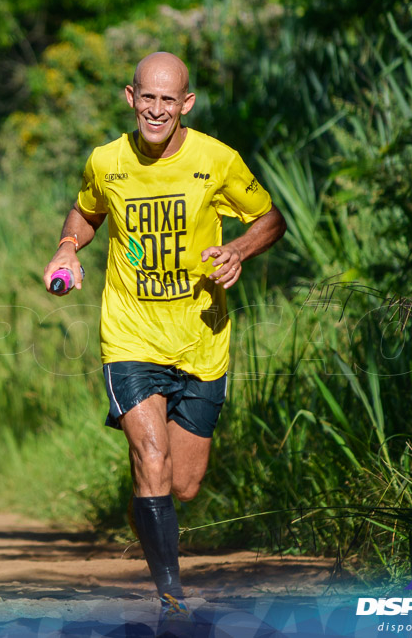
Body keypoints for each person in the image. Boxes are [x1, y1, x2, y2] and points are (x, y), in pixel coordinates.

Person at [43, 52, 287, 626]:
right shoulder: (106, 161)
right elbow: (85, 213)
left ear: (186, 104)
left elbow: (270, 219)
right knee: (150, 456)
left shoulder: (216, 159)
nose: (156, 110)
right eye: (146, 98)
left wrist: (237, 251)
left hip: (203, 339)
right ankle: (172, 597)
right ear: (131, 97)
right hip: (130, 337)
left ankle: (148, 512)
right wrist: (67, 247)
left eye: (167, 100)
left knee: (183, 483)